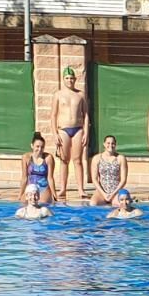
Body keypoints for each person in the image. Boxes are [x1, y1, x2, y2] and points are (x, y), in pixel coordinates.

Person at [51, 66, 91, 200]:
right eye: (67, 78)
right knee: (64, 160)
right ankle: (63, 188)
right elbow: (53, 115)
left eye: (72, 78)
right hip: (63, 129)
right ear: (63, 79)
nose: (70, 81)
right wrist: (54, 133)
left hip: (78, 129)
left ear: (75, 79)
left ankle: (81, 189)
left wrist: (86, 132)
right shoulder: (58, 94)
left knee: (78, 160)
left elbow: (85, 115)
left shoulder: (80, 94)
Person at [90, 135, 129, 206]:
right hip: (101, 191)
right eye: (108, 143)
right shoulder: (97, 158)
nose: (110, 145)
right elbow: (94, 179)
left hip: (116, 191)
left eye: (113, 143)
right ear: (104, 144)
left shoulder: (120, 158)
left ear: (115, 145)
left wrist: (113, 194)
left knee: (119, 205)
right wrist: (104, 194)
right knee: (93, 204)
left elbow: (123, 180)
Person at [19, 133, 55, 204]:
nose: (40, 149)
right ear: (32, 146)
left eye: (42, 147)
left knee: (43, 203)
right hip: (30, 187)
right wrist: (20, 194)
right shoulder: (26, 157)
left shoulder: (48, 158)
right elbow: (24, 178)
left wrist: (54, 194)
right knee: (23, 204)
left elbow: (50, 178)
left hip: (43, 188)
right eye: (37, 146)